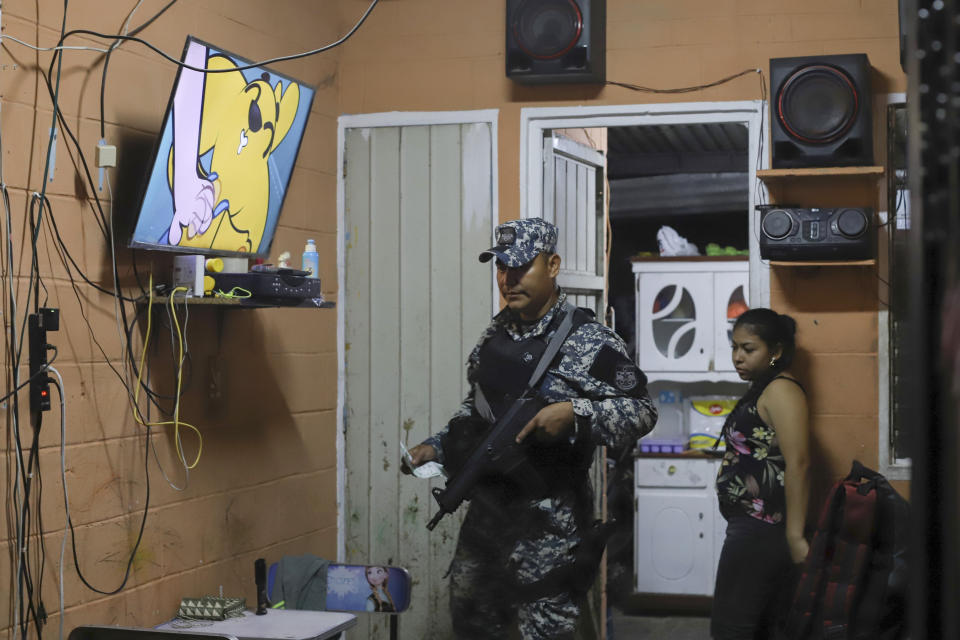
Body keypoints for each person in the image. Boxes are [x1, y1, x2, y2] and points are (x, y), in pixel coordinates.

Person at [402, 217, 657, 640]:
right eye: (502, 268)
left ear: (553, 265)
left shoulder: (588, 340)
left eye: (521, 267)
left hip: (550, 532)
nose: (508, 278)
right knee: (471, 625)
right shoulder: (496, 334)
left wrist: (576, 414)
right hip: (486, 521)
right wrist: (437, 447)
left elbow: (642, 411)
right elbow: (480, 411)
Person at [711, 308, 811, 640]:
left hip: (762, 529)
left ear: (777, 351)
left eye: (748, 349)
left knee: (733, 629)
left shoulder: (782, 390)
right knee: (751, 627)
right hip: (749, 526)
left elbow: (799, 463)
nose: (738, 357)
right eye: (735, 347)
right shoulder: (763, 387)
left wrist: (796, 537)